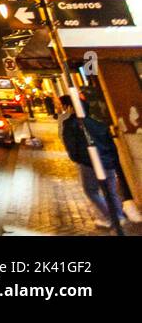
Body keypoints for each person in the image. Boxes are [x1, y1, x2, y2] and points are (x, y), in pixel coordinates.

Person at [58, 94, 126, 230]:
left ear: (72, 108)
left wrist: (78, 159)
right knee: (111, 191)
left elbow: (71, 146)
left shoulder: (70, 124)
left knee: (91, 191)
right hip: (107, 162)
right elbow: (111, 146)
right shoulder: (99, 125)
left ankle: (112, 217)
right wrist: (113, 162)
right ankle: (119, 216)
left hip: (89, 163)